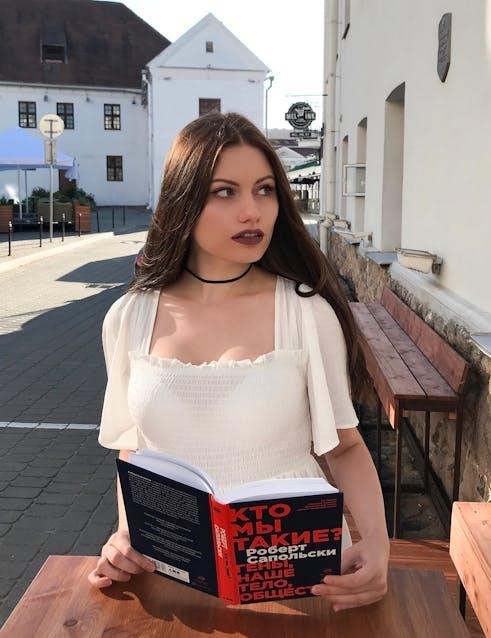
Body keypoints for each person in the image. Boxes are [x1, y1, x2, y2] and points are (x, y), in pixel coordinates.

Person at [88, 112, 389, 611]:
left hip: (298, 575)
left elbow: (345, 447)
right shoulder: (129, 317)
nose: (252, 212)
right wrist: (125, 534)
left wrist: (377, 542)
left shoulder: (305, 312)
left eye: (265, 190)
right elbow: (134, 453)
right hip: (173, 573)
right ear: (184, 200)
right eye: (225, 192)